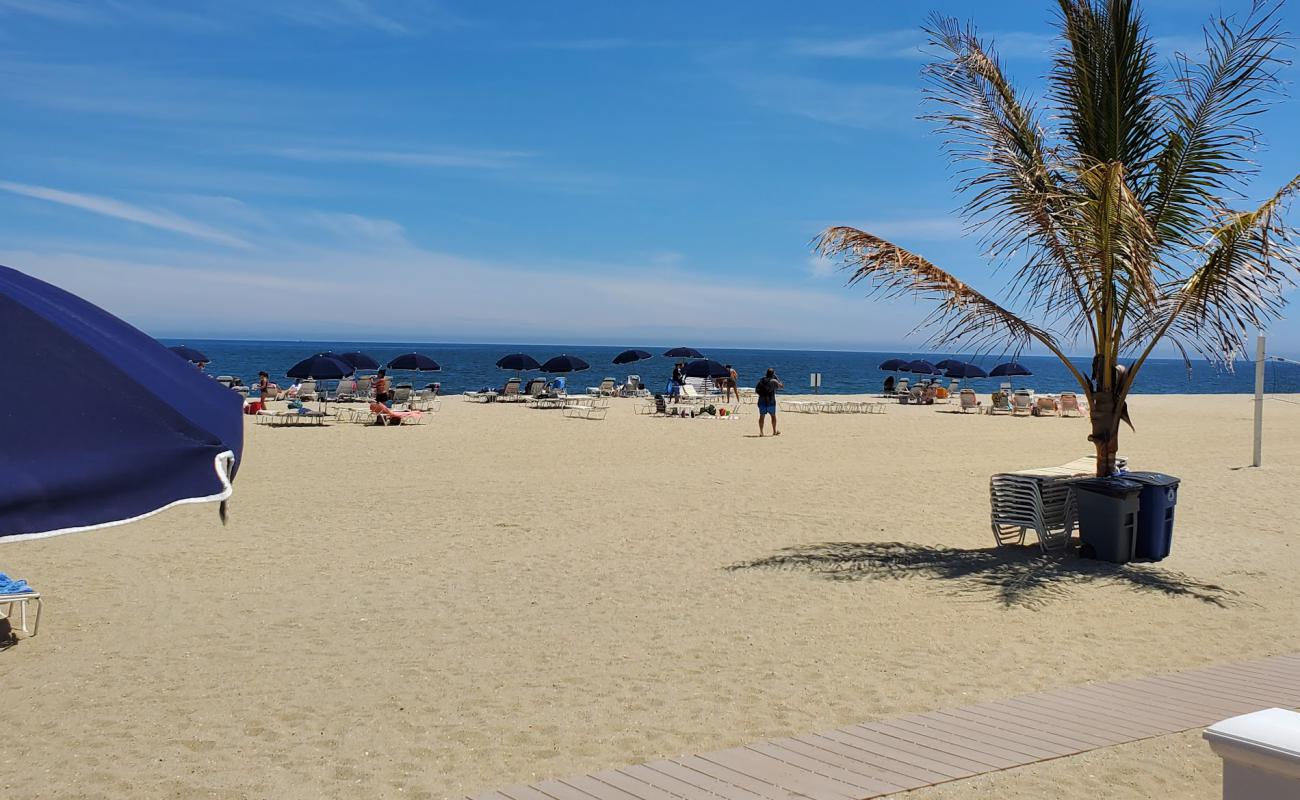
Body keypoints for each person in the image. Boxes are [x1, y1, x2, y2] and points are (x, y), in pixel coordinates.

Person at [756, 368, 783, 436]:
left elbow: (756, 390)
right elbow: (781, 386)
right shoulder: (774, 380)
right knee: (773, 416)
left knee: (762, 416)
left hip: (762, 400)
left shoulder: (761, 380)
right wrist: (777, 378)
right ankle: (774, 431)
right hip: (771, 400)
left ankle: (761, 432)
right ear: (773, 374)